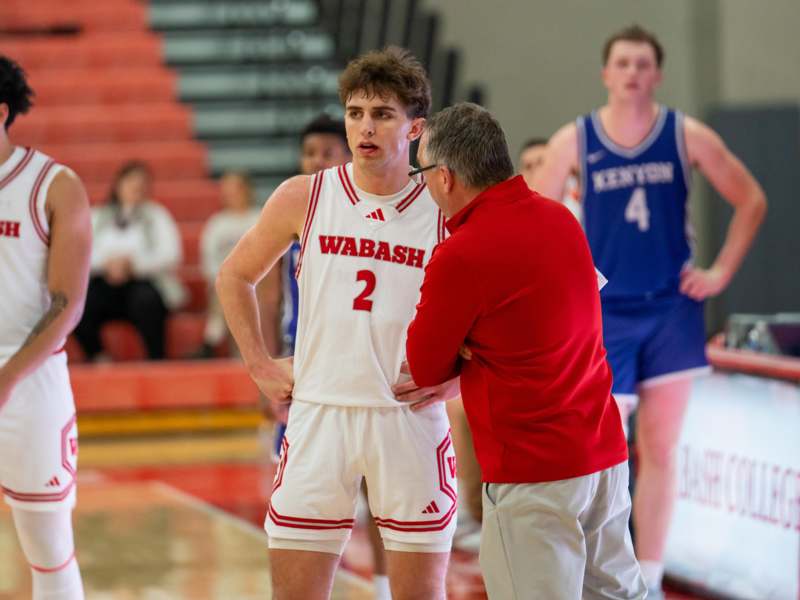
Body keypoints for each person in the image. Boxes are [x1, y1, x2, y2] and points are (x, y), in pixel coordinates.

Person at [533, 24, 767, 597]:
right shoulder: (575, 139)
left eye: (643, 64)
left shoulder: (686, 134)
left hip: (670, 309)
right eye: (624, 64)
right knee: (600, 451)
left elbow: (751, 199)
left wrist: (720, 273)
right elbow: (533, 219)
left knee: (660, 449)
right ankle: (597, 571)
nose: (634, 74)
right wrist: (569, 284)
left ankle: (652, 579)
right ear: (606, 74)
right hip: (606, 312)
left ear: (657, 74)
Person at [216, 47, 459, 600]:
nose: (365, 127)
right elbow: (234, 277)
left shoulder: (443, 206)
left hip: (408, 417)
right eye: (355, 113)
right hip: (319, 414)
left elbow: (501, 309)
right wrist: (257, 363)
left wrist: (460, 376)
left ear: (416, 127)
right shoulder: (306, 196)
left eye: (383, 114)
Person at [406, 101, 646, 600]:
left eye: (422, 171)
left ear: (445, 176)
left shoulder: (461, 254)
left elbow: (425, 367)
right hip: (602, 454)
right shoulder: (561, 220)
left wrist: (470, 347)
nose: (422, 184)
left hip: (533, 470)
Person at [0, 54, 90, 599]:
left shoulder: (53, 185)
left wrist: (7, 377)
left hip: (29, 382)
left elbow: (68, 303)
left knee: (48, 548)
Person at [73, 161, 186, 361]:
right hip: (104, 282)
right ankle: (98, 357)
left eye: (142, 183)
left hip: (142, 282)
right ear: (118, 184)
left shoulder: (157, 215)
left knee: (147, 301)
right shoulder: (97, 216)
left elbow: (171, 254)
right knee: (77, 304)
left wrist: (133, 265)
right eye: (130, 181)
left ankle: (156, 358)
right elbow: (79, 253)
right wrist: (107, 264)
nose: (136, 187)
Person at [195, 171, 262, 358]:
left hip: (258, 280)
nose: (230, 194)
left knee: (236, 290)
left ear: (247, 190)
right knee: (228, 288)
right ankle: (238, 354)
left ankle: (211, 340)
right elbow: (207, 259)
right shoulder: (216, 224)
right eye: (226, 190)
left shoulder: (260, 217)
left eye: (235, 189)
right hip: (225, 282)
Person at [520, 137, 582, 221]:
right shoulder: (515, 214)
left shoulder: (579, 202)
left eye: (540, 163)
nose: (535, 171)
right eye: (528, 167)